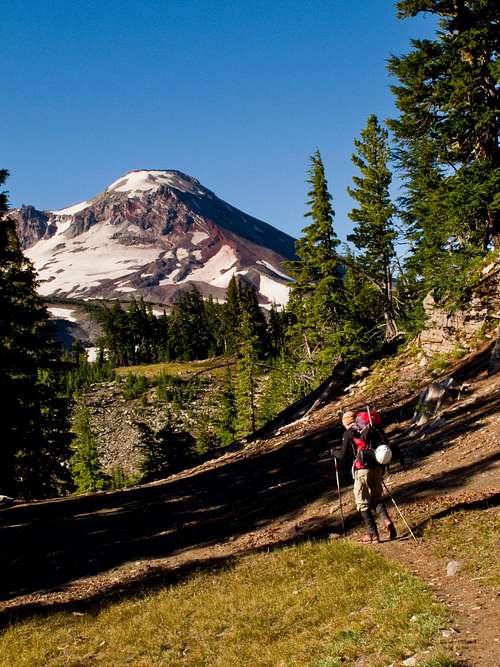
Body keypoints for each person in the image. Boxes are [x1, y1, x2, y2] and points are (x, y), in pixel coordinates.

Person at [335, 410, 396, 544]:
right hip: (377, 467)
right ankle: (386, 520)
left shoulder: (348, 433)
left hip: (362, 469)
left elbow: (342, 456)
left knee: (361, 502)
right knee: (376, 497)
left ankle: (373, 535)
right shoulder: (369, 429)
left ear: (345, 423)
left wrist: (333, 453)